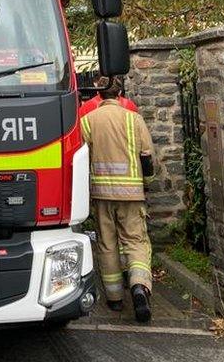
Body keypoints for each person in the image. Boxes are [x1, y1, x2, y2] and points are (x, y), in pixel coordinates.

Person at [80, 76, 156, 323]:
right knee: (136, 241)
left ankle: (114, 299)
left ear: (99, 94)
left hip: (102, 194)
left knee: (107, 243)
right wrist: (147, 184)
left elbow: (81, 158)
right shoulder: (134, 119)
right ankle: (139, 286)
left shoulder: (88, 121)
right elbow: (147, 158)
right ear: (121, 93)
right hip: (132, 195)